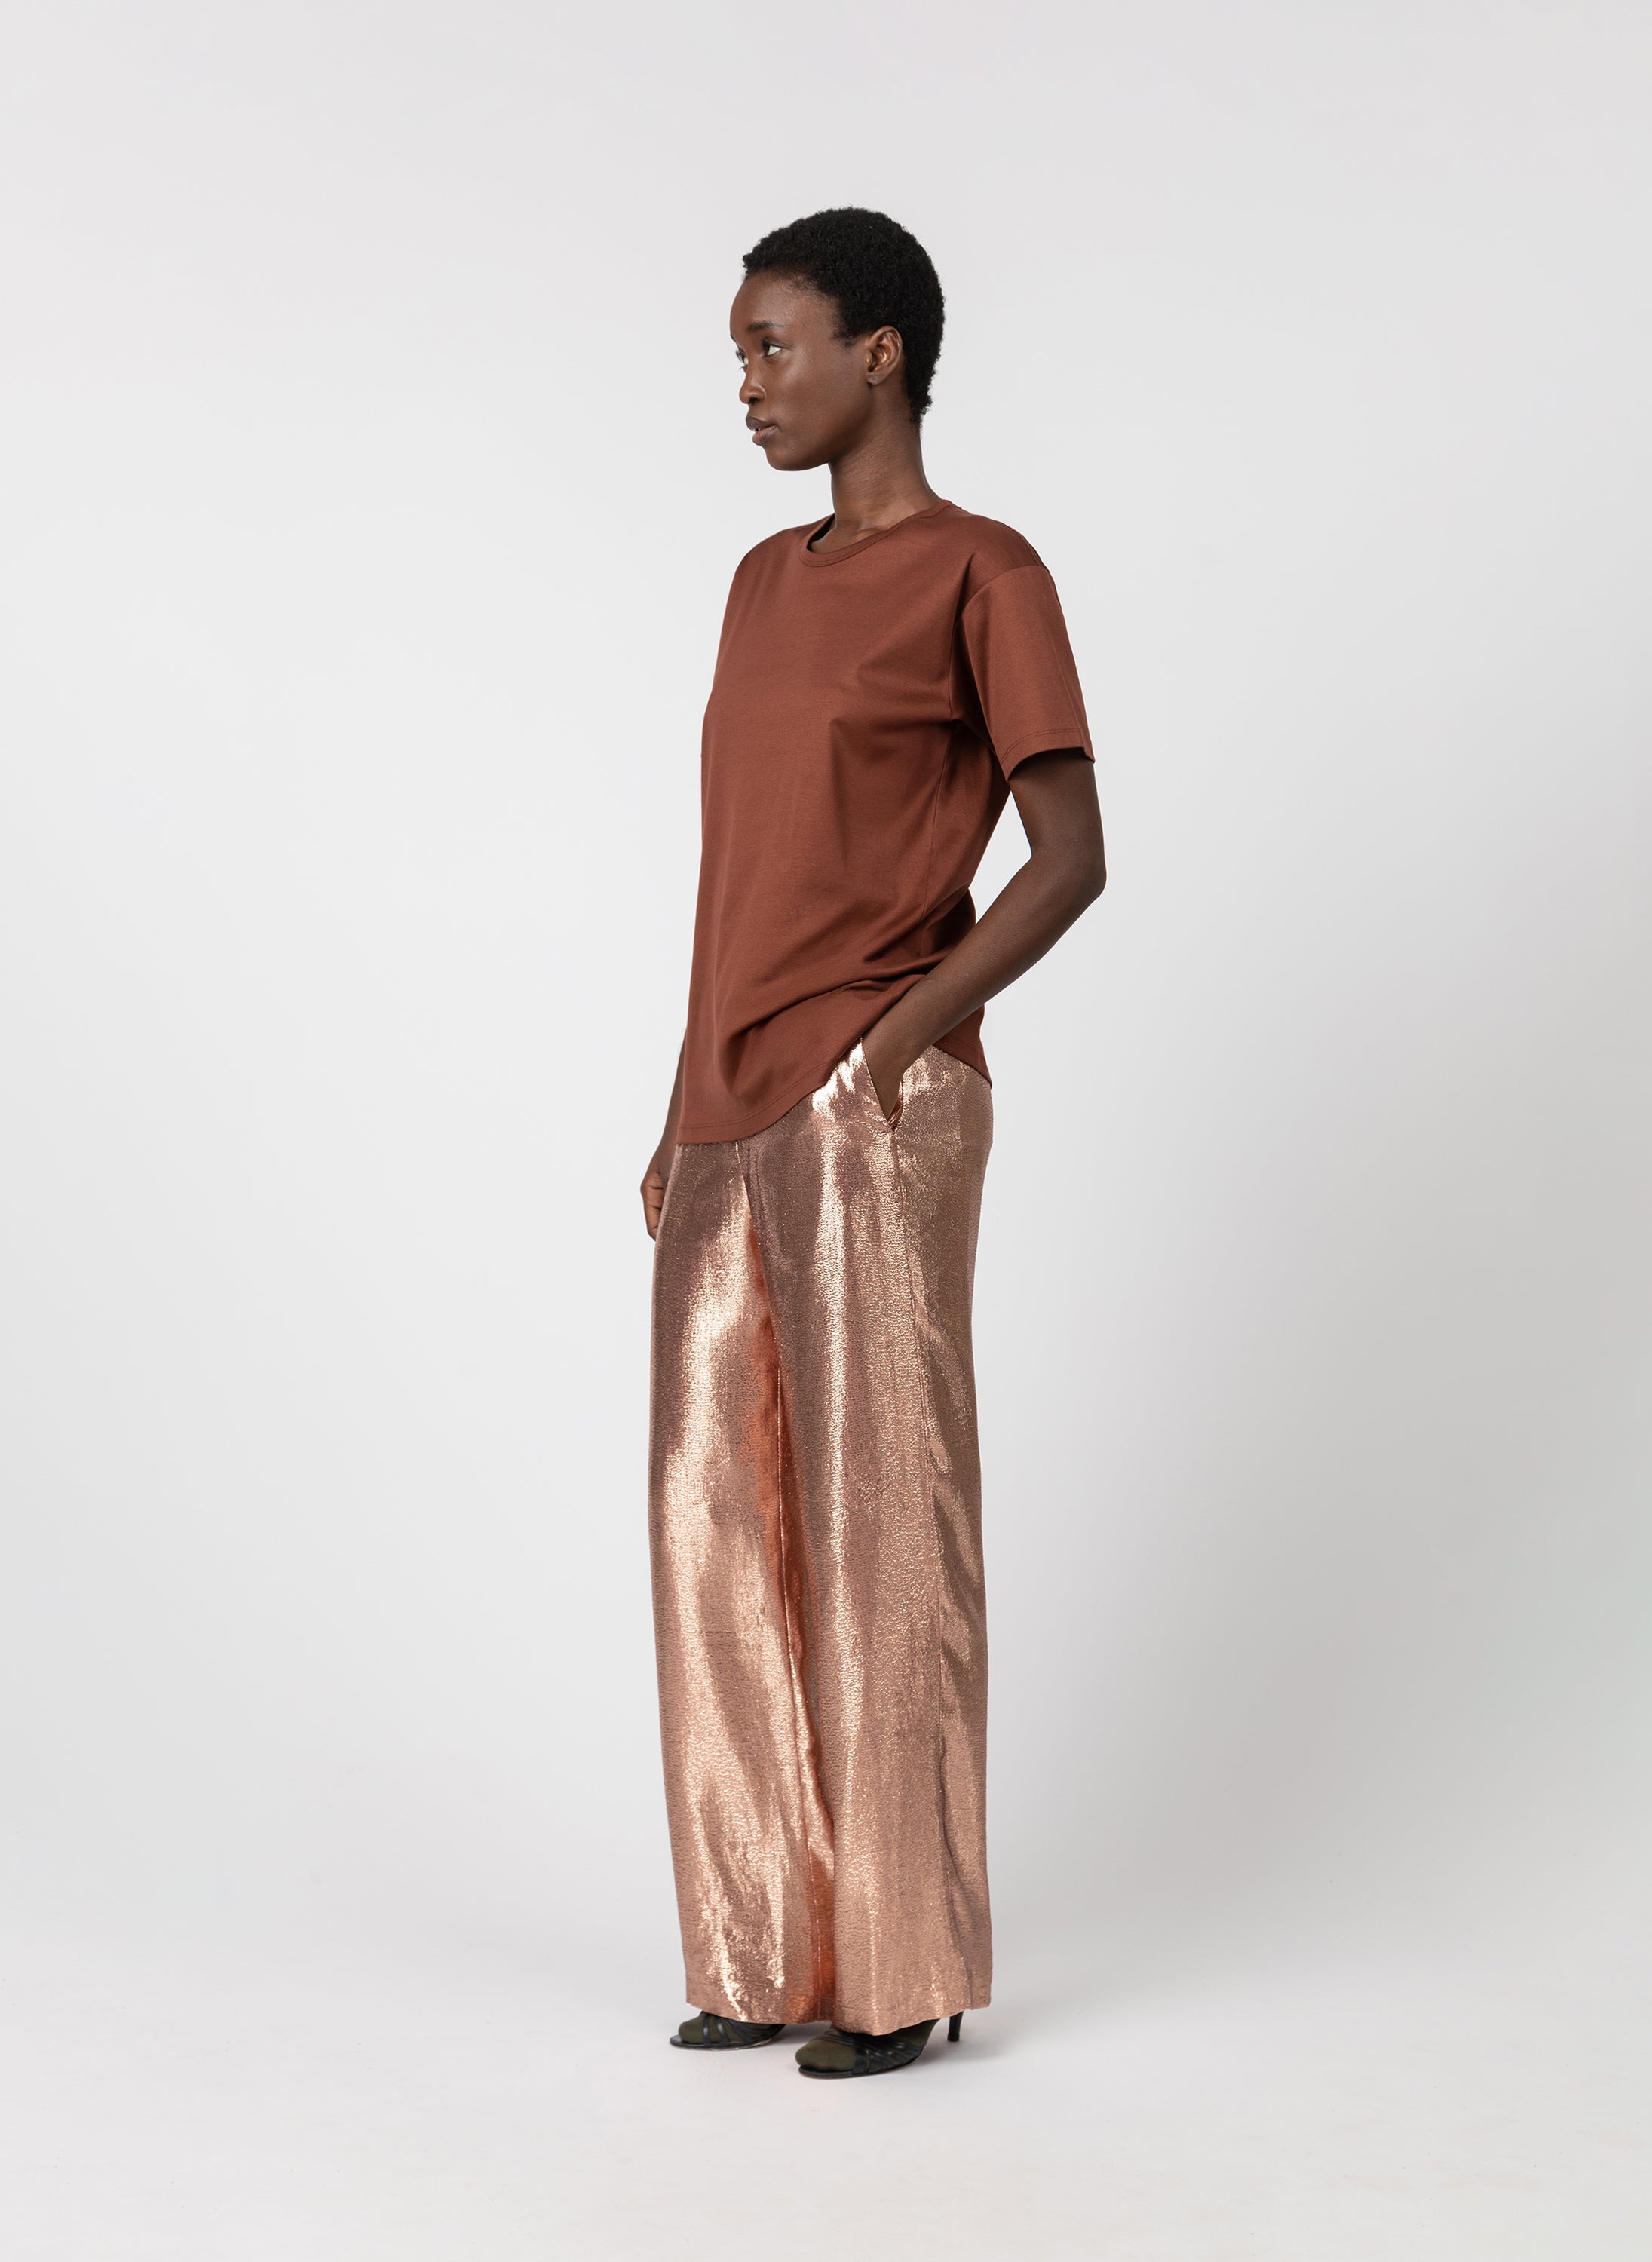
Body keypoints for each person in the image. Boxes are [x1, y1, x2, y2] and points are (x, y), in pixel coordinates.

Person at [641, 207, 1105, 2080]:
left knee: (881, 1523)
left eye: (774, 347)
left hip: (872, 1101)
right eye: (740, 355)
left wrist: (897, 1043)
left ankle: (906, 1964)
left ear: (880, 352)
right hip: (730, 1096)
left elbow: (1070, 860)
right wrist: (682, 1100)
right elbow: (735, 873)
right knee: (714, 1525)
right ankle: (762, 1946)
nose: (749, 385)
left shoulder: (986, 572)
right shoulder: (761, 581)